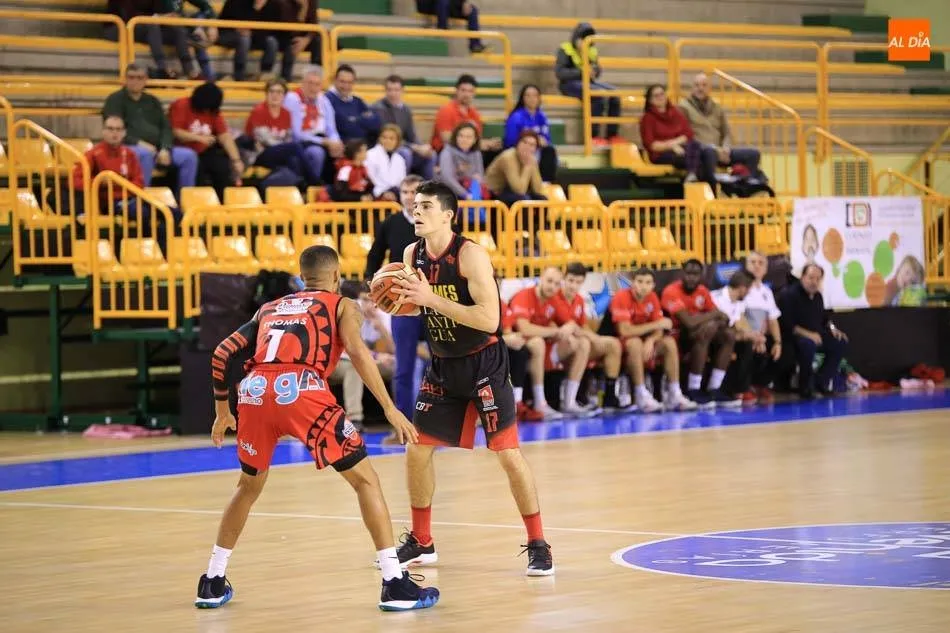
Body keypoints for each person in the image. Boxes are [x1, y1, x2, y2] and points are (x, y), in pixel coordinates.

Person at [197, 244, 439, 611]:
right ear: (337, 276)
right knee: (366, 481)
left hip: (255, 391)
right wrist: (390, 409)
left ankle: (212, 580)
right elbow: (358, 352)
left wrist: (221, 411)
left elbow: (221, 353)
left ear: (301, 277)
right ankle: (394, 582)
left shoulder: (270, 307)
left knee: (247, 487)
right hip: (301, 391)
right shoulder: (343, 305)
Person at [389, 180, 554, 576]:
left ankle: (538, 543)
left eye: (426, 206)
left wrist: (430, 299)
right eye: (415, 205)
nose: (416, 210)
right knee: (417, 449)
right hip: (443, 364)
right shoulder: (412, 253)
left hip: (484, 364)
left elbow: (489, 319)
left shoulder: (471, 255)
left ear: (447, 215)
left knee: (507, 454)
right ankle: (422, 540)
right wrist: (396, 300)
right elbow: (418, 306)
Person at [364, 176, 425, 421]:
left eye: (413, 192)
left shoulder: (436, 223)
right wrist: (370, 286)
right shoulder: (390, 223)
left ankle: (443, 423)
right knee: (403, 367)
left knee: (445, 363)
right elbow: (374, 256)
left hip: (433, 302)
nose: (409, 197)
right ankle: (403, 424)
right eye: (405, 192)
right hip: (402, 303)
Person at [609, 268, 697, 412]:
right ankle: (640, 394)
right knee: (635, 343)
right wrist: (656, 325)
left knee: (669, 342)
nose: (643, 286)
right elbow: (625, 330)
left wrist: (651, 340)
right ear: (632, 283)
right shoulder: (621, 297)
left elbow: (660, 330)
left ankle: (674, 393)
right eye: (640, 282)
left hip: (644, 343)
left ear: (653, 285)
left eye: (648, 283)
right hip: (621, 345)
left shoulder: (652, 297)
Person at [509, 267, 592, 418]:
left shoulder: (553, 300)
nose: (552, 287)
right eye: (549, 281)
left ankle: (569, 402)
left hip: (543, 349)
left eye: (556, 284)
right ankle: (540, 403)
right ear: (540, 278)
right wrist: (555, 331)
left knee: (583, 344)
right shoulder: (524, 296)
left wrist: (568, 329)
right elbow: (524, 329)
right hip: (516, 348)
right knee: (537, 342)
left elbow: (571, 324)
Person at [102, 64, 198, 192]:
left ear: (146, 79)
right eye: (131, 77)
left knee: (189, 156)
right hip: (127, 147)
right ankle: (141, 198)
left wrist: (165, 148)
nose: (135, 81)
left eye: (140, 78)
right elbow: (114, 130)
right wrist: (139, 143)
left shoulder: (153, 101)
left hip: (157, 148)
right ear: (125, 79)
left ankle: (184, 200)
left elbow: (166, 127)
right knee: (145, 154)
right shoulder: (115, 100)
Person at [660, 259, 741, 407]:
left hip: (699, 333)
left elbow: (724, 318)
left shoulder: (702, 291)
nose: (691, 278)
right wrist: (712, 316)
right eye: (688, 273)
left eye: (695, 274)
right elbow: (689, 322)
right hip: (676, 335)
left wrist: (713, 319)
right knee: (707, 329)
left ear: (701, 275)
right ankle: (693, 389)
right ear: (682, 274)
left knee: (728, 334)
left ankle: (714, 388)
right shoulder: (671, 291)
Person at [551, 263, 624, 410]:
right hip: (558, 346)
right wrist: (584, 335)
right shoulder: (553, 297)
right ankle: (569, 401)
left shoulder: (578, 299)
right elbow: (559, 326)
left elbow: (582, 326)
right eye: (571, 280)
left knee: (612, 344)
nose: (573, 286)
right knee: (583, 343)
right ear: (564, 279)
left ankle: (609, 396)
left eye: (578, 282)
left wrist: (594, 337)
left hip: (577, 344)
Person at [777, 263, 849, 399]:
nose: (814, 282)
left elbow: (825, 318)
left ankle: (821, 382)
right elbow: (787, 324)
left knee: (840, 342)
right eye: (811, 278)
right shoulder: (789, 295)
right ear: (803, 277)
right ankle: (805, 387)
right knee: (807, 344)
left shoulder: (818, 296)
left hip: (816, 334)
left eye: (818, 279)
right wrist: (809, 334)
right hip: (794, 337)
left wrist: (833, 329)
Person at [329, 281, 395, 430]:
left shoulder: (383, 314)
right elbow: (349, 349)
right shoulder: (349, 312)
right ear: (358, 299)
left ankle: (404, 416)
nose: (369, 305)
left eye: (373, 301)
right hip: (341, 359)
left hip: (370, 358)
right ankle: (355, 418)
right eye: (365, 300)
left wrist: (381, 328)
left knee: (400, 367)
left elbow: (393, 350)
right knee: (356, 366)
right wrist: (375, 356)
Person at [679, 72, 762, 179]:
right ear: (692, 88)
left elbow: (726, 132)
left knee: (753, 154)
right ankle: (713, 188)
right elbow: (686, 137)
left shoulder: (717, 107)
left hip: (721, 151)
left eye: (704, 85)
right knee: (710, 153)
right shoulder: (683, 107)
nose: (700, 88)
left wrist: (725, 148)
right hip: (701, 152)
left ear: (709, 88)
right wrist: (714, 149)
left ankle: (746, 185)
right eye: (697, 85)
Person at [169, 82, 244, 199]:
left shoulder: (213, 110)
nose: (207, 110)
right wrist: (199, 138)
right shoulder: (181, 105)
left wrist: (236, 160)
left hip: (204, 151)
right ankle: (195, 203)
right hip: (182, 150)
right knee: (198, 170)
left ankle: (222, 203)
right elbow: (175, 131)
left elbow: (224, 136)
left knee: (223, 167)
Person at [242, 78, 321, 186]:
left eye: (279, 92)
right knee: (295, 147)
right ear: (266, 94)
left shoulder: (286, 113)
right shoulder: (258, 111)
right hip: (258, 154)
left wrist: (285, 147)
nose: (275, 95)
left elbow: (287, 138)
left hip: (278, 152)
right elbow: (265, 140)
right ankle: (314, 181)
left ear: (284, 96)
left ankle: (301, 187)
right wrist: (285, 147)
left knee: (294, 160)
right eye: (272, 91)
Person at [555, 22, 621, 145]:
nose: (585, 41)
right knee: (597, 94)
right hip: (569, 84)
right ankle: (593, 136)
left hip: (589, 82)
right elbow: (560, 73)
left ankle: (612, 135)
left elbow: (597, 70)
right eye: (582, 38)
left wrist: (594, 71)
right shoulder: (565, 49)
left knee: (615, 94)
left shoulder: (591, 51)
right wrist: (582, 72)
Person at [640, 84, 716, 189]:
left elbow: (688, 134)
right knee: (698, 159)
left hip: (682, 148)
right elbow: (652, 145)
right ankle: (698, 186)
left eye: (662, 94)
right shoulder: (647, 118)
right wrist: (671, 146)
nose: (660, 97)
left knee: (708, 152)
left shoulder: (675, 112)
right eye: (656, 95)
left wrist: (674, 144)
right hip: (661, 154)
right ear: (650, 100)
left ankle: (703, 186)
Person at [284, 66, 343, 184]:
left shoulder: (324, 100)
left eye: (317, 84)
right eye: (310, 83)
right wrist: (323, 142)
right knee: (316, 153)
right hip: (299, 142)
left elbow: (331, 128)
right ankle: (311, 186)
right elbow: (296, 134)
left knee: (346, 150)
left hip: (323, 139)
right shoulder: (292, 98)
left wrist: (336, 142)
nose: (313, 88)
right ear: (302, 83)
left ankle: (334, 189)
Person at [372, 75, 435, 179]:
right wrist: (414, 147)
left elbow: (412, 135)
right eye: (389, 90)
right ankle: (403, 186)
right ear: (385, 90)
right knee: (405, 153)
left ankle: (428, 188)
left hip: (404, 145)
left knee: (431, 154)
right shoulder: (378, 109)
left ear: (402, 91)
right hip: (386, 147)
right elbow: (389, 138)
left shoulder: (406, 109)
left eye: (396, 90)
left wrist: (422, 147)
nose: (393, 93)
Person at [710, 269, 759, 401]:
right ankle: (716, 388)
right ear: (742, 288)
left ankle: (740, 389)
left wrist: (754, 336)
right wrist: (742, 335)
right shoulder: (716, 298)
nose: (749, 293)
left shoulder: (739, 301)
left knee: (749, 343)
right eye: (749, 289)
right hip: (712, 338)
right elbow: (717, 327)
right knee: (737, 341)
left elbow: (738, 323)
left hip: (728, 336)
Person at [742, 251, 783, 402]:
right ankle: (743, 387)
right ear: (746, 266)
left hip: (761, 335)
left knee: (783, 348)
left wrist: (778, 342)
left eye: (760, 263)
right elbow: (738, 316)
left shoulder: (767, 291)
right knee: (746, 347)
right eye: (753, 262)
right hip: (743, 333)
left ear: (766, 269)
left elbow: (773, 319)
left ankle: (760, 384)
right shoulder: (741, 287)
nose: (756, 266)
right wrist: (754, 336)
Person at [500, 294, 545, 422]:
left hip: (497, 345)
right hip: (479, 348)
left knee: (520, 350)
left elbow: (508, 330)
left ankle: (517, 402)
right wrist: (505, 339)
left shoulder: (501, 304)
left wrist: (512, 338)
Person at [504, 84, 558, 182]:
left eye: (535, 95)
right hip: (520, 152)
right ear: (522, 98)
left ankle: (546, 183)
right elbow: (510, 141)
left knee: (549, 151)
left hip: (537, 151)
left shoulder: (542, 116)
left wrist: (542, 142)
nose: (532, 98)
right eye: (528, 95)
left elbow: (547, 139)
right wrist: (530, 142)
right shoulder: (516, 117)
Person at [484, 130, 546, 207]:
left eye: (532, 145)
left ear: (535, 149)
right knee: (523, 200)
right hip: (493, 195)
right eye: (524, 142)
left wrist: (533, 166)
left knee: (542, 199)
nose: (527, 146)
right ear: (518, 143)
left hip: (511, 191)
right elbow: (519, 190)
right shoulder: (508, 157)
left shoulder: (531, 159)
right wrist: (527, 167)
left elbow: (538, 189)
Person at [327, 64, 382, 144]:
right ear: (335, 80)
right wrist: (362, 119)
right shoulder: (327, 99)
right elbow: (344, 126)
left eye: (349, 82)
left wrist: (355, 119)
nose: (346, 86)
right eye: (342, 81)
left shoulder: (357, 101)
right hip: (342, 146)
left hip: (363, 146)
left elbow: (376, 123)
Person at [437, 122, 486, 200]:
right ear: (455, 137)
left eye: (469, 137)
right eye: (461, 136)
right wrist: (465, 195)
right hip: (449, 192)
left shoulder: (476, 153)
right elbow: (448, 178)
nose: (464, 140)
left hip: (470, 190)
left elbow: (479, 176)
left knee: (476, 186)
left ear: (475, 140)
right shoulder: (447, 152)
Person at [416, 0, 486, 53]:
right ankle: (441, 34)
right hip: (428, 4)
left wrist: (464, 2)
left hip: (447, 4)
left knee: (472, 10)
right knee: (443, 2)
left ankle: (475, 44)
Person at [365, 124, 408, 201]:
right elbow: (370, 180)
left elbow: (402, 181)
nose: (387, 141)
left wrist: (394, 193)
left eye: (391, 138)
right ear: (379, 139)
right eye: (384, 137)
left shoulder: (400, 159)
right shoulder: (370, 155)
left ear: (397, 141)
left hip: (395, 194)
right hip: (376, 195)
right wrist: (384, 193)